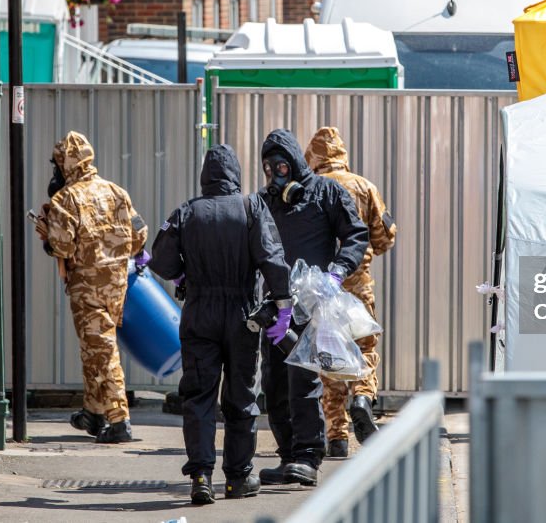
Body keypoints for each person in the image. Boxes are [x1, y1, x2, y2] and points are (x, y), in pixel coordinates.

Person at [149, 144, 291, 505]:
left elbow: (162, 262)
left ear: (205, 176)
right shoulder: (250, 207)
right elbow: (272, 258)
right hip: (243, 316)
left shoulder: (187, 211)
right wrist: (282, 304)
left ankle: (200, 476)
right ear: (236, 175)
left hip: (199, 313)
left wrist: (184, 274)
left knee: (198, 396)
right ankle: (238, 479)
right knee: (241, 398)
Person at [257, 128, 369, 486]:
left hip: (312, 303)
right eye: (269, 167)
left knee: (302, 380)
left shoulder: (326, 192)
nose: (276, 172)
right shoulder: (264, 201)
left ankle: (308, 455)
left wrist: (336, 273)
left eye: (281, 164)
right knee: (273, 383)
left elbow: (356, 235)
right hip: (276, 305)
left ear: (294, 161)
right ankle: (288, 455)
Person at [38, 131, 148, 444]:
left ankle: (118, 419)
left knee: (102, 350)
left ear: (64, 165)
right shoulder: (116, 192)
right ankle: (94, 410)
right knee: (94, 348)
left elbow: (60, 246)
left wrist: (47, 235)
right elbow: (139, 236)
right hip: (115, 286)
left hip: (86, 287)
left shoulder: (65, 199)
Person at [305, 126, 397, 457]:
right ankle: (362, 396)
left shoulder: (309, 188)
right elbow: (385, 239)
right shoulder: (365, 187)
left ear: (312, 157)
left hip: (323, 290)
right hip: (359, 288)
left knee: (328, 357)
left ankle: (338, 437)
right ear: (342, 153)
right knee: (365, 349)